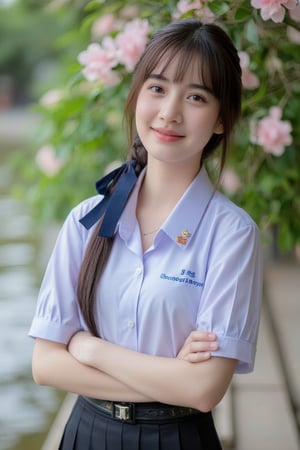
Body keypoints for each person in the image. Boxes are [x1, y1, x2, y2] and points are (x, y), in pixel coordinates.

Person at [29, 18, 263, 450]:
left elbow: (204, 390)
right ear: (137, 96)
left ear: (221, 120)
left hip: (178, 439)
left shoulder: (232, 235)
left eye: (195, 96)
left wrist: (88, 348)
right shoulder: (88, 219)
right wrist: (171, 377)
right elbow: (46, 366)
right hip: (85, 433)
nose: (170, 112)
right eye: (157, 88)